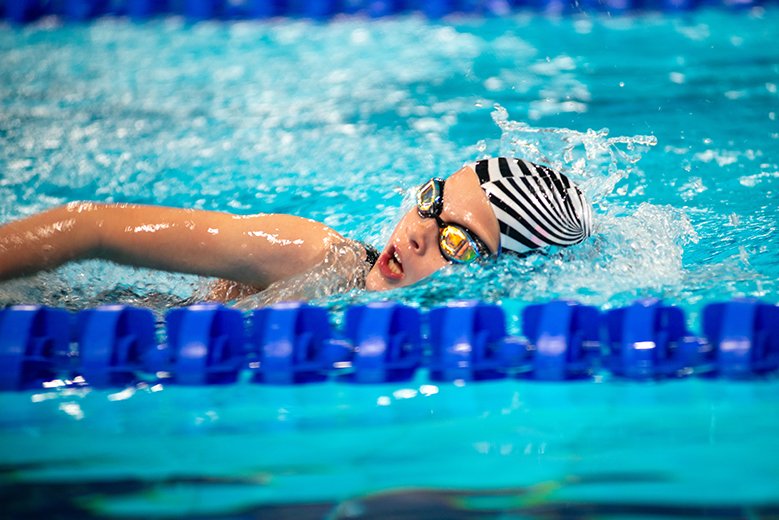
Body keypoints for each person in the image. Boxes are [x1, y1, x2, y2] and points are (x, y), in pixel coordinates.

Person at [0, 157, 592, 305]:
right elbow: (93, 227)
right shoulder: (312, 258)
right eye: (429, 203)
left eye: (457, 242)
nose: (417, 235)